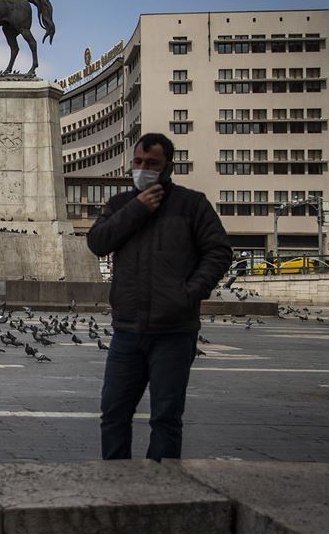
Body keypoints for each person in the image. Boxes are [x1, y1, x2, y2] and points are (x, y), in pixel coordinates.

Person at [86, 133, 232, 461]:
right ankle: (115, 482)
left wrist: (190, 293)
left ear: (168, 167)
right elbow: (97, 242)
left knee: (166, 417)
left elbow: (219, 251)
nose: (142, 169)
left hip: (174, 332)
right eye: (138, 162)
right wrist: (136, 210)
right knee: (113, 413)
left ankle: (161, 487)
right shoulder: (120, 204)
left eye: (151, 164)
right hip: (127, 331)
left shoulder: (192, 204)